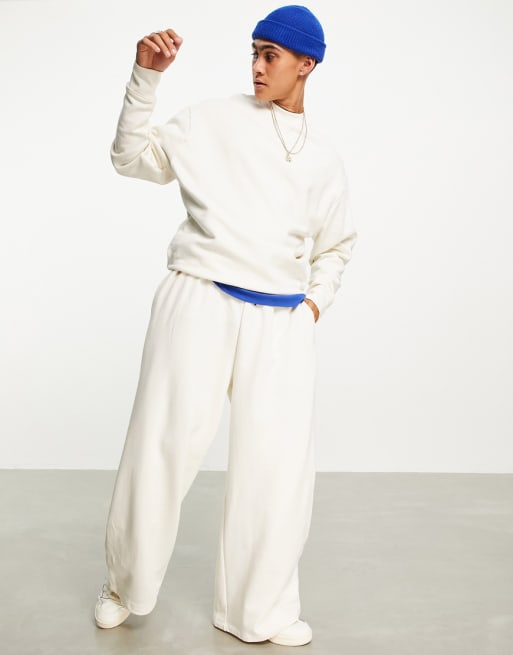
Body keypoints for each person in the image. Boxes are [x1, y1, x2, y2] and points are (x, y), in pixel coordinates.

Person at [94, 5, 356, 647]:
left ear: (306, 65)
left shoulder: (325, 159)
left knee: (278, 468)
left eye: (271, 55)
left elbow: (336, 245)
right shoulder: (211, 119)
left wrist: (312, 305)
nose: (257, 66)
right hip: (200, 297)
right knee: (163, 445)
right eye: (254, 52)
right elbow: (130, 157)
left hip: (280, 318)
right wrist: (146, 77)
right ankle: (124, 586)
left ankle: (258, 612)